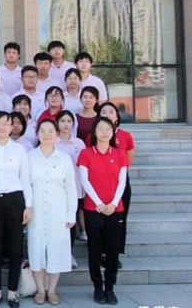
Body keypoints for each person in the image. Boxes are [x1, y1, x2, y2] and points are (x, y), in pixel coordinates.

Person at [0, 111, 32, 308]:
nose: (1, 127)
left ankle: (12, 293)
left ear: (11, 127)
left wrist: (28, 205)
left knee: (15, 248)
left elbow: (25, 177)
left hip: (15, 199)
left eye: (5, 123)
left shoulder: (19, 149)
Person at [77, 117, 129, 305]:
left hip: (116, 209)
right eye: (101, 128)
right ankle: (98, 288)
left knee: (113, 251)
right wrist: (99, 203)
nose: (105, 132)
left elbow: (122, 182)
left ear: (113, 131)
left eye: (108, 128)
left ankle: (110, 288)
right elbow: (84, 180)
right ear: (94, 132)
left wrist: (113, 203)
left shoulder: (120, 154)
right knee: (94, 249)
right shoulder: (86, 154)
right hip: (93, 209)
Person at [27, 119, 78, 305]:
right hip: (36, 210)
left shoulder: (64, 158)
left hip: (58, 211)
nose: (47, 134)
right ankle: (41, 290)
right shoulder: (29, 157)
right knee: (36, 249)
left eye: (50, 131)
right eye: (43, 131)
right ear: (37, 134)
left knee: (57, 249)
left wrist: (71, 213)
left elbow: (71, 188)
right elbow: (25, 185)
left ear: (56, 134)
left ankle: (52, 290)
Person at [97, 102, 135, 266]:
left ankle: (115, 253)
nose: (107, 114)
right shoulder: (93, 135)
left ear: (117, 116)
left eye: (111, 111)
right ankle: (101, 252)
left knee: (119, 219)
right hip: (99, 182)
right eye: (103, 111)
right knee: (100, 220)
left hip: (120, 181)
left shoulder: (125, 135)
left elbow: (129, 158)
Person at [56, 110, 87, 256]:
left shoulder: (79, 143)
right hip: (56, 188)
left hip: (75, 186)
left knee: (71, 221)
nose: (66, 124)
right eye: (62, 121)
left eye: (69, 121)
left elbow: (84, 166)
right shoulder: (52, 141)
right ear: (57, 123)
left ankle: (69, 254)